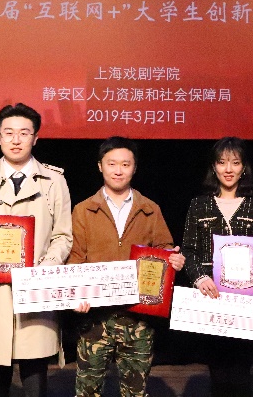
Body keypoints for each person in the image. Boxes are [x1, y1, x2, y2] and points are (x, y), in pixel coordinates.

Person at [0, 103, 73, 397]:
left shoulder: (55, 181)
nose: (16, 140)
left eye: (24, 133)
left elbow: (63, 236)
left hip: (36, 290)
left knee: (35, 375)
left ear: (35, 138)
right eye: (9, 133)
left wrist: (48, 266)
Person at [68, 136, 185, 397]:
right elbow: (75, 258)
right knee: (87, 391)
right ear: (100, 166)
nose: (118, 170)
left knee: (135, 392)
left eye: (125, 164)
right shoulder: (83, 210)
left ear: (134, 168)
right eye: (111, 164)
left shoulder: (150, 209)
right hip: (95, 318)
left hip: (138, 318)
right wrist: (76, 296)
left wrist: (174, 259)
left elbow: (165, 249)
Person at [181, 136, 253, 397]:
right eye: (222, 162)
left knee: (242, 372)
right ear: (214, 167)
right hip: (212, 298)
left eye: (235, 162)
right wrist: (200, 278)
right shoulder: (199, 204)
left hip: (247, 299)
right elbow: (188, 250)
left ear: (244, 167)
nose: (228, 169)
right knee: (218, 371)